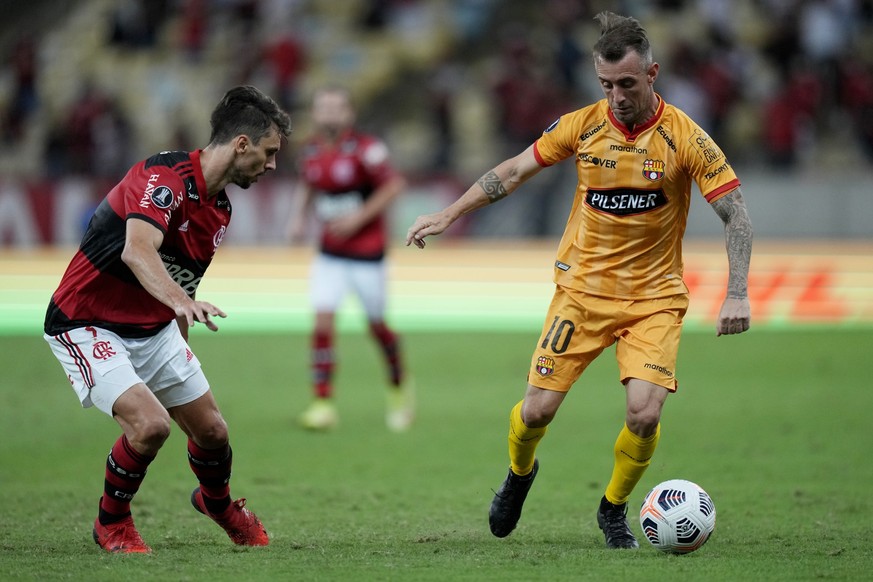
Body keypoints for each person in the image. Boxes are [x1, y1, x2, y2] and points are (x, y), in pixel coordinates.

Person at [406, 11, 752, 549]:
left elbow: (736, 214)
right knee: (536, 411)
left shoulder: (686, 137)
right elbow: (516, 170)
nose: (616, 96)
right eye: (606, 84)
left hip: (653, 300)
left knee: (643, 413)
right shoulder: (582, 124)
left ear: (653, 73)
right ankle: (520, 475)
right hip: (581, 294)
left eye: (627, 84)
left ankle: (613, 509)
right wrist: (450, 213)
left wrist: (736, 292)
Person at [43, 85, 292, 554]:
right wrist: (180, 301)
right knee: (150, 426)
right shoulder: (164, 176)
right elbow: (137, 250)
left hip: (152, 327)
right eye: (269, 152)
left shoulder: (218, 211)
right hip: (86, 320)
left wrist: (180, 327)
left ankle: (217, 504)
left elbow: (183, 286)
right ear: (242, 144)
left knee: (214, 431)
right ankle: (111, 523)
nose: (273, 165)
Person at [289, 85, 413, 432]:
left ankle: (399, 390)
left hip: (367, 256)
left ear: (349, 113)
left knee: (377, 327)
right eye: (323, 107)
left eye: (336, 107)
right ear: (315, 113)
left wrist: (358, 219)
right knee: (323, 323)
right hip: (330, 254)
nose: (329, 113)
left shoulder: (367, 150)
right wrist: (298, 217)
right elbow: (309, 184)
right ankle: (323, 403)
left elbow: (393, 186)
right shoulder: (310, 149)